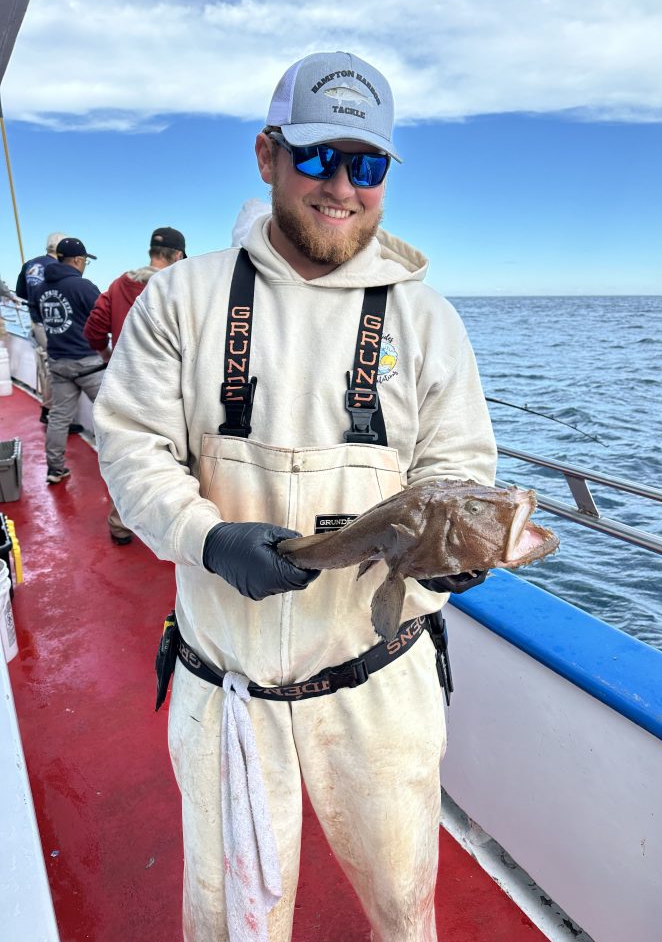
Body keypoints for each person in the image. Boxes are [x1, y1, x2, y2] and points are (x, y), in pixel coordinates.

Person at [93, 51, 498, 941]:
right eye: (317, 158)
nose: (341, 187)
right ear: (267, 154)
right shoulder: (182, 301)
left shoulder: (428, 320)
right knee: (229, 916)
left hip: (378, 684)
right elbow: (129, 448)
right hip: (224, 683)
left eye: (369, 165)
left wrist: (458, 551)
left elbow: (459, 468)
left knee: (405, 908)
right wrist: (208, 539)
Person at [83, 226, 187, 543]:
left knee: (132, 454)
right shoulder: (181, 286)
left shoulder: (119, 285)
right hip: (174, 387)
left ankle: (120, 524)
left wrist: (108, 355)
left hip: (127, 384)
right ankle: (179, 529)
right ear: (179, 256)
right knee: (179, 457)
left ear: (151, 253)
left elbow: (94, 329)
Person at [28, 237, 105, 484]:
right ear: (78, 260)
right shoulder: (83, 287)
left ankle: (55, 468)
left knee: (59, 417)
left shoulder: (40, 290)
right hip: (89, 364)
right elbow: (104, 319)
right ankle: (116, 468)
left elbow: (39, 319)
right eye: (84, 262)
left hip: (59, 363)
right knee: (111, 415)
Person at [15, 232, 69, 424]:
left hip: (35, 322)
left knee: (45, 365)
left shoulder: (30, 265)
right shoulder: (58, 268)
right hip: (53, 325)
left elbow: (21, 293)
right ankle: (52, 414)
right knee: (57, 367)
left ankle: (48, 410)